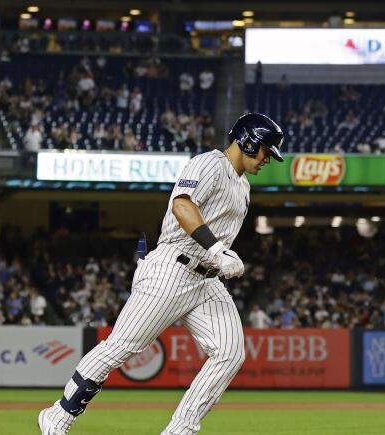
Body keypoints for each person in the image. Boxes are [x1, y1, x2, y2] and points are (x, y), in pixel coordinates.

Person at [38, 113, 285, 435]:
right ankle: (58, 416)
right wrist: (216, 250)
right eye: (266, 150)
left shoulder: (243, 185)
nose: (268, 158)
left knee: (230, 353)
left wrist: (217, 256)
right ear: (248, 141)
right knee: (120, 347)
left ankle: (180, 430)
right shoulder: (209, 163)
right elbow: (182, 205)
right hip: (173, 267)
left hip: (205, 279)